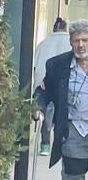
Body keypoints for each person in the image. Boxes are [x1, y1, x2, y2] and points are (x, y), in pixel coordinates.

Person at [41, 19, 88, 180]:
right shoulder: (57, 65)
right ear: (70, 42)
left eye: (85, 40)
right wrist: (37, 107)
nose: (81, 45)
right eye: (76, 40)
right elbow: (44, 91)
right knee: (72, 172)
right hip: (73, 128)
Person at [33, 17, 69, 154]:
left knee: (45, 112)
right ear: (66, 29)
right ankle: (60, 145)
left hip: (44, 84)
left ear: (54, 29)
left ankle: (45, 146)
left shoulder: (43, 44)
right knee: (62, 113)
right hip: (63, 85)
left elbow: (35, 66)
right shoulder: (71, 43)